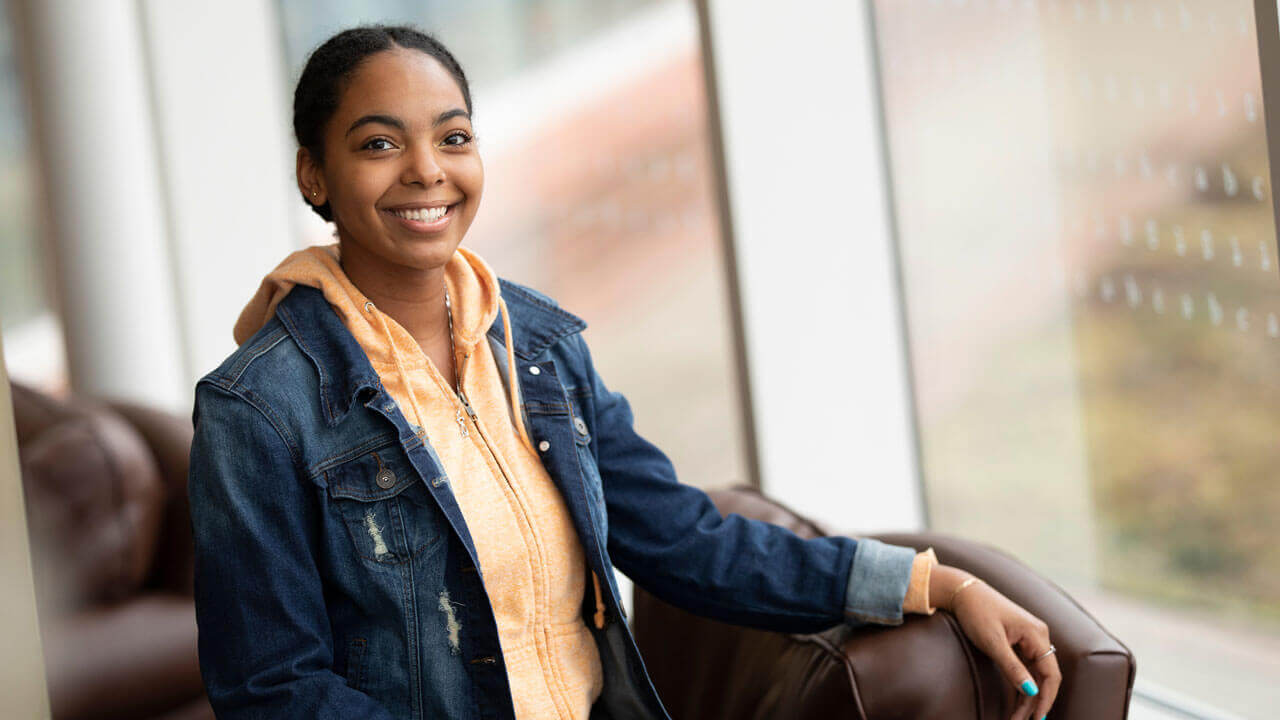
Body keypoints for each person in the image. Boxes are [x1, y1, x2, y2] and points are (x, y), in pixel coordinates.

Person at [187, 24, 1060, 720]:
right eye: (379, 143)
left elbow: (685, 538)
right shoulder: (257, 408)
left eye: (453, 136)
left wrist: (930, 582)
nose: (427, 170)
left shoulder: (537, 344)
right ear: (315, 174)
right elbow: (273, 689)